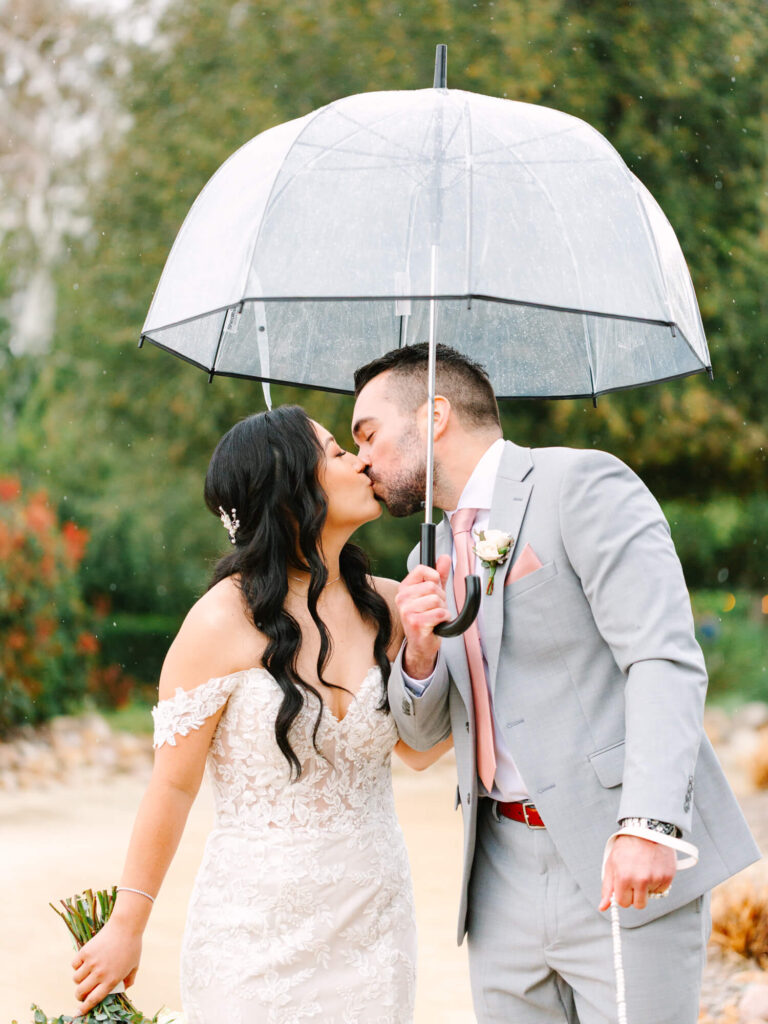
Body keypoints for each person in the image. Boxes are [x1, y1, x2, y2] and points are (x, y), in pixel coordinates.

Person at [351, 343, 760, 1024]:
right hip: (498, 874)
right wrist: (418, 653)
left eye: (368, 434)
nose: (361, 457)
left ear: (435, 416)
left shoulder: (583, 485)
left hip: (616, 854)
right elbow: (421, 739)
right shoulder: (432, 554)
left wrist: (649, 823)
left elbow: (663, 656)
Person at [70, 405, 450, 1024]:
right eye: (335, 450)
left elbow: (422, 751)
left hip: (374, 925)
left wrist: (424, 649)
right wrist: (126, 925)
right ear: (292, 487)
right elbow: (172, 785)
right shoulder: (220, 621)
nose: (361, 460)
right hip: (253, 934)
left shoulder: (390, 604)